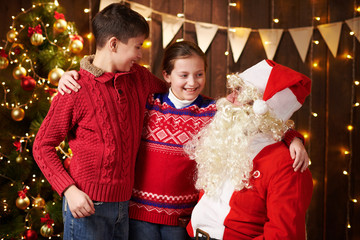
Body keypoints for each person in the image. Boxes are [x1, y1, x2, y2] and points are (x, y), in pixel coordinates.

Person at [58, 41, 309, 240]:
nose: (192, 82)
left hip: (181, 220)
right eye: (184, 75)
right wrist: (77, 74)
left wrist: (291, 137)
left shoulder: (214, 111)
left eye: (199, 74)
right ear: (166, 75)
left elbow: (257, 122)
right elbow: (109, 76)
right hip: (138, 214)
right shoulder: (147, 104)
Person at [32, 3, 167, 240]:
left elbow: (176, 93)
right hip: (85, 206)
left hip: (124, 205)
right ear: (114, 44)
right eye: (137, 46)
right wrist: (69, 190)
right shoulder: (75, 88)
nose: (140, 54)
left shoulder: (140, 77)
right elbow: (42, 146)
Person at [184, 59, 313, 240]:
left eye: (241, 95)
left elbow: (283, 235)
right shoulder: (226, 136)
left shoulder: (287, 165)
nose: (229, 98)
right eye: (234, 91)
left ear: (262, 110)